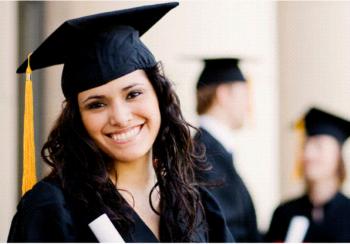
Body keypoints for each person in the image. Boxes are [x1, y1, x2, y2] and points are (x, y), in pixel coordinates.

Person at [7, 3, 234, 242]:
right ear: (77, 119)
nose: (120, 117)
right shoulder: (53, 209)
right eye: (97, 104)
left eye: (133, 94)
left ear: (159, 96)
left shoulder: (196, 205)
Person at [194, 58, 260, 242]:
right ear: (224, 94)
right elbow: (228, 228)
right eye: (244, 95)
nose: (248, 106)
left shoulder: (212, 150)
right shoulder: (204, 156)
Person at [265, 107, 350, 242]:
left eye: (318, 146)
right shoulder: (284, 213)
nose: (307, 154)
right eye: (305, 146)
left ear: (337, 156)